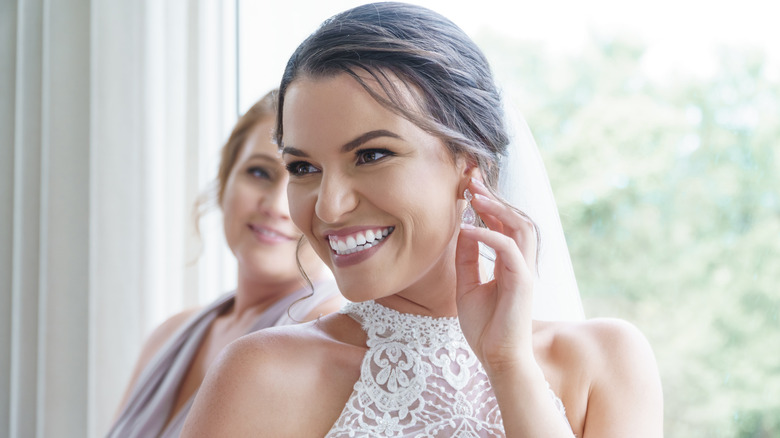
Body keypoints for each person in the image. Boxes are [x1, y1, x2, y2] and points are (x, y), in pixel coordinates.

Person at [181, 3, 663, 437]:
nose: (328, 208)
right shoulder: (262, 374)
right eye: (304, 167)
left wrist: (508, 364)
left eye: (371, 155)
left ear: (471, 165)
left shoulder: (608, 362)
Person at [107, 90, 344, 438]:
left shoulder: (328, 339)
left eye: (304, 175)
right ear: (224, 181)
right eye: (260, 173)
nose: (276, 205)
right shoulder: (169, 335)